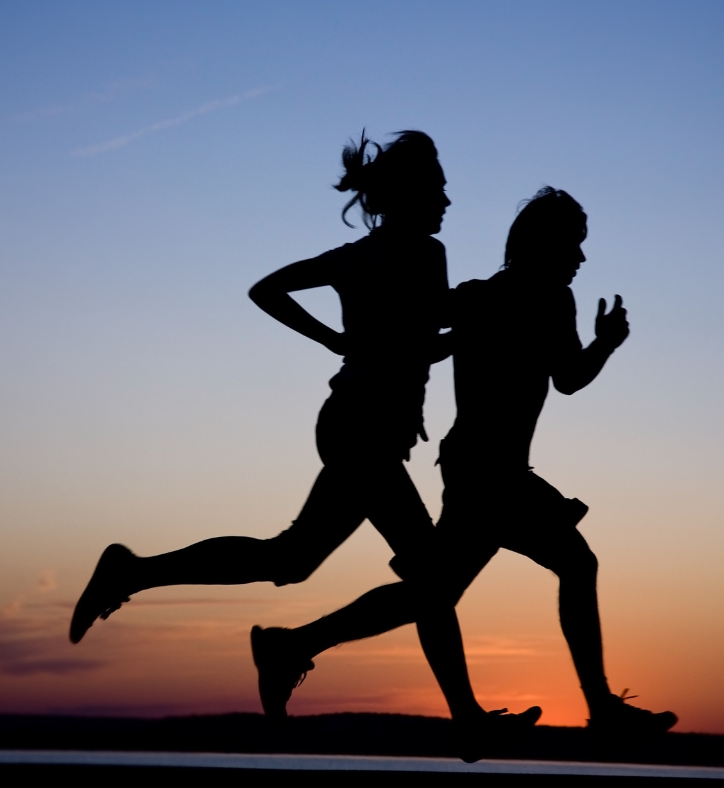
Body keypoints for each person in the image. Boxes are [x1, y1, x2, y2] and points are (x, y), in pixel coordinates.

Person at [69, 132, 540, 758]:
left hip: (350, 422)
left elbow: (267, 289)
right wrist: (479, 316)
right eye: (440, 187)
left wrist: (334, 339)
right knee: (429, 576)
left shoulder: (354, 257)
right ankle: (462, 720)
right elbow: (423, 338)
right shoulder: (427, 253)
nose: (449, 199)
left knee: (290, 559)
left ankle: (147, 576)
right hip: (365, 429)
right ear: (412, 195)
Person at [251, 187, 677, 744]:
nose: (581, 258)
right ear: (544, 245)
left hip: (477, 470)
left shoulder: (485, 297)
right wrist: (607, 345)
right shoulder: (536, 299)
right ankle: (600, 707)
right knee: (574, 563)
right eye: (574, 244)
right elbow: (569, 377)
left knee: (432, 594)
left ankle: (292, 645)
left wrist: (602, 344)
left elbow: (554, 373)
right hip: (490, 475)